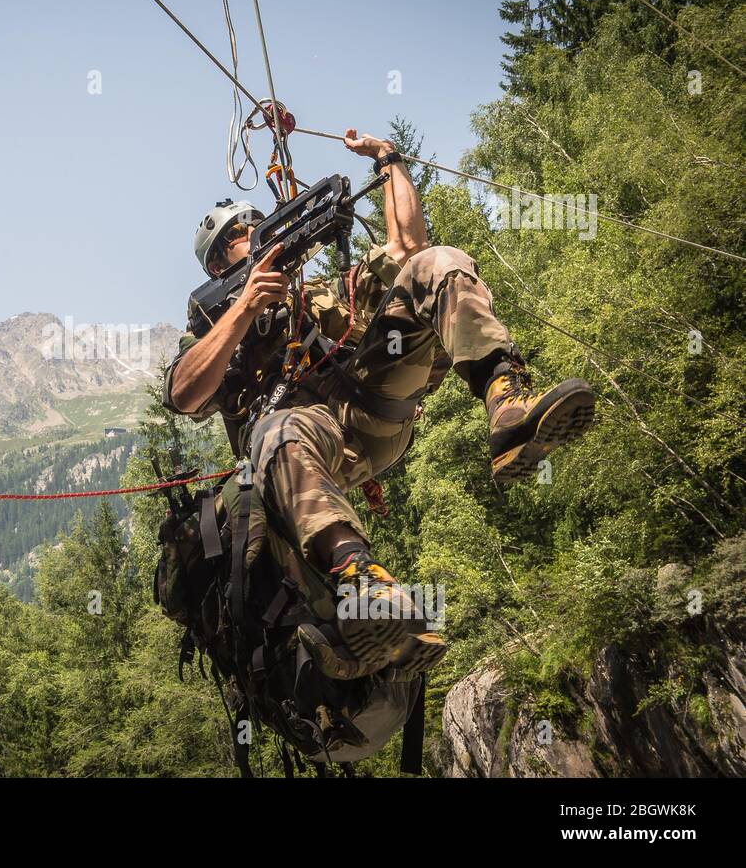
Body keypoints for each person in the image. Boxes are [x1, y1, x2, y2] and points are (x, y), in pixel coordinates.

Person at [163, 128, 596, 676]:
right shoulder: (213, 322)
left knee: (438, 261)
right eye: (239, 236)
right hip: (305, 443)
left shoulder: (321, 293)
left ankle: (506, 402)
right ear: (220, 265)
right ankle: (362, 585)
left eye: (255, 226)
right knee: (277, 430)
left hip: (372, 403)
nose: (253, 236)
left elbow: (408, 248)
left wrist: (387, 160)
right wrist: (246, 307)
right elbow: (184, 393)